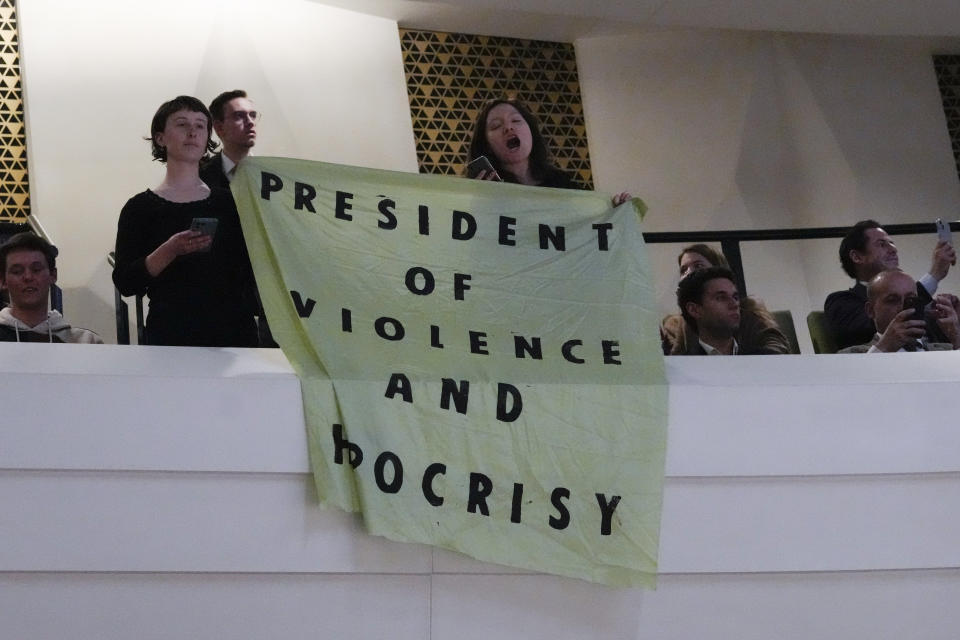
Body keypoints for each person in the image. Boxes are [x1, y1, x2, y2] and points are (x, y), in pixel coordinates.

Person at [112, 95, 258, 347]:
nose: (192, 132)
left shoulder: (232, 203)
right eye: (182, 124)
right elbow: (126, 281)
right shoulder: (140, 208)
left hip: (233, 334)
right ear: (160, 138)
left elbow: (252, 270)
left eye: (200, 125)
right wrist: (170, 250)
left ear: (208, 139)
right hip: (172, 335)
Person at [466, 98, 630, 206]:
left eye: (516, 120)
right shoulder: (482, 193)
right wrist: (479, 201)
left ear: (531, 132)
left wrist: (613, 211)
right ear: (486, 145)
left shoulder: (563, 184)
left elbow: (590, 222)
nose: (509, 127)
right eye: (496, 126)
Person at [825, 219, 955, 350]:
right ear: (857, 257)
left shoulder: (926, 308)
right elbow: (869, 329)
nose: (893, 249)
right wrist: (934, 276)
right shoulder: (840, 302)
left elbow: (940, 344)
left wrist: (952, 323)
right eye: (882, 244)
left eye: (891, 243)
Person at [661, 243, 790, 355]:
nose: (689, 273)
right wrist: (692, 314)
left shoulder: (748, 310)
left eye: (698, 266)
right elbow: (672, 364)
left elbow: (776, 346)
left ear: (718, 268)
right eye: (683, 270)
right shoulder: (674, 324)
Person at [0, 232, 101, 343]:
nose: (28, 277)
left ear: (53, 275)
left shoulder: (85, 342)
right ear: (3, 281)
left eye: (36, 269)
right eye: (17, 271)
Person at [839, 269, 960, 352]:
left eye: (911, 300)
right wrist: (884, 348)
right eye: (892, 300)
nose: (903, 307)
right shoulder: (852, 355)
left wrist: (955, 335)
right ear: (870, 310)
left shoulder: (946, 350)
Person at [674, 266, 756, 355]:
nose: (734, 304)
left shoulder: (762, 358)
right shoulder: (683, 365)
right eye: (721, 298)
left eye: (735, 297)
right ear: (694, 310)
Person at [200, 89, 258, 189]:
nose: (251, 122)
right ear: (219, 127)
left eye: (253, 115)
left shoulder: (274, 173)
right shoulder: (198, 178)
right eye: (239, 116)